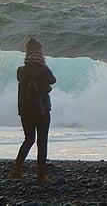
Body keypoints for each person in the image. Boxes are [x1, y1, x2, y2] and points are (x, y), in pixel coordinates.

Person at [11, 38, 56, 183]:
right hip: (42, 110)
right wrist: (44, 65)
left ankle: (16, 169)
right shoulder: (44, 69)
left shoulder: (21, 71)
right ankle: (40, 175)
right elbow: (52, 80)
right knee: (42, 141)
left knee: (29, 139)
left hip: (25, 111)